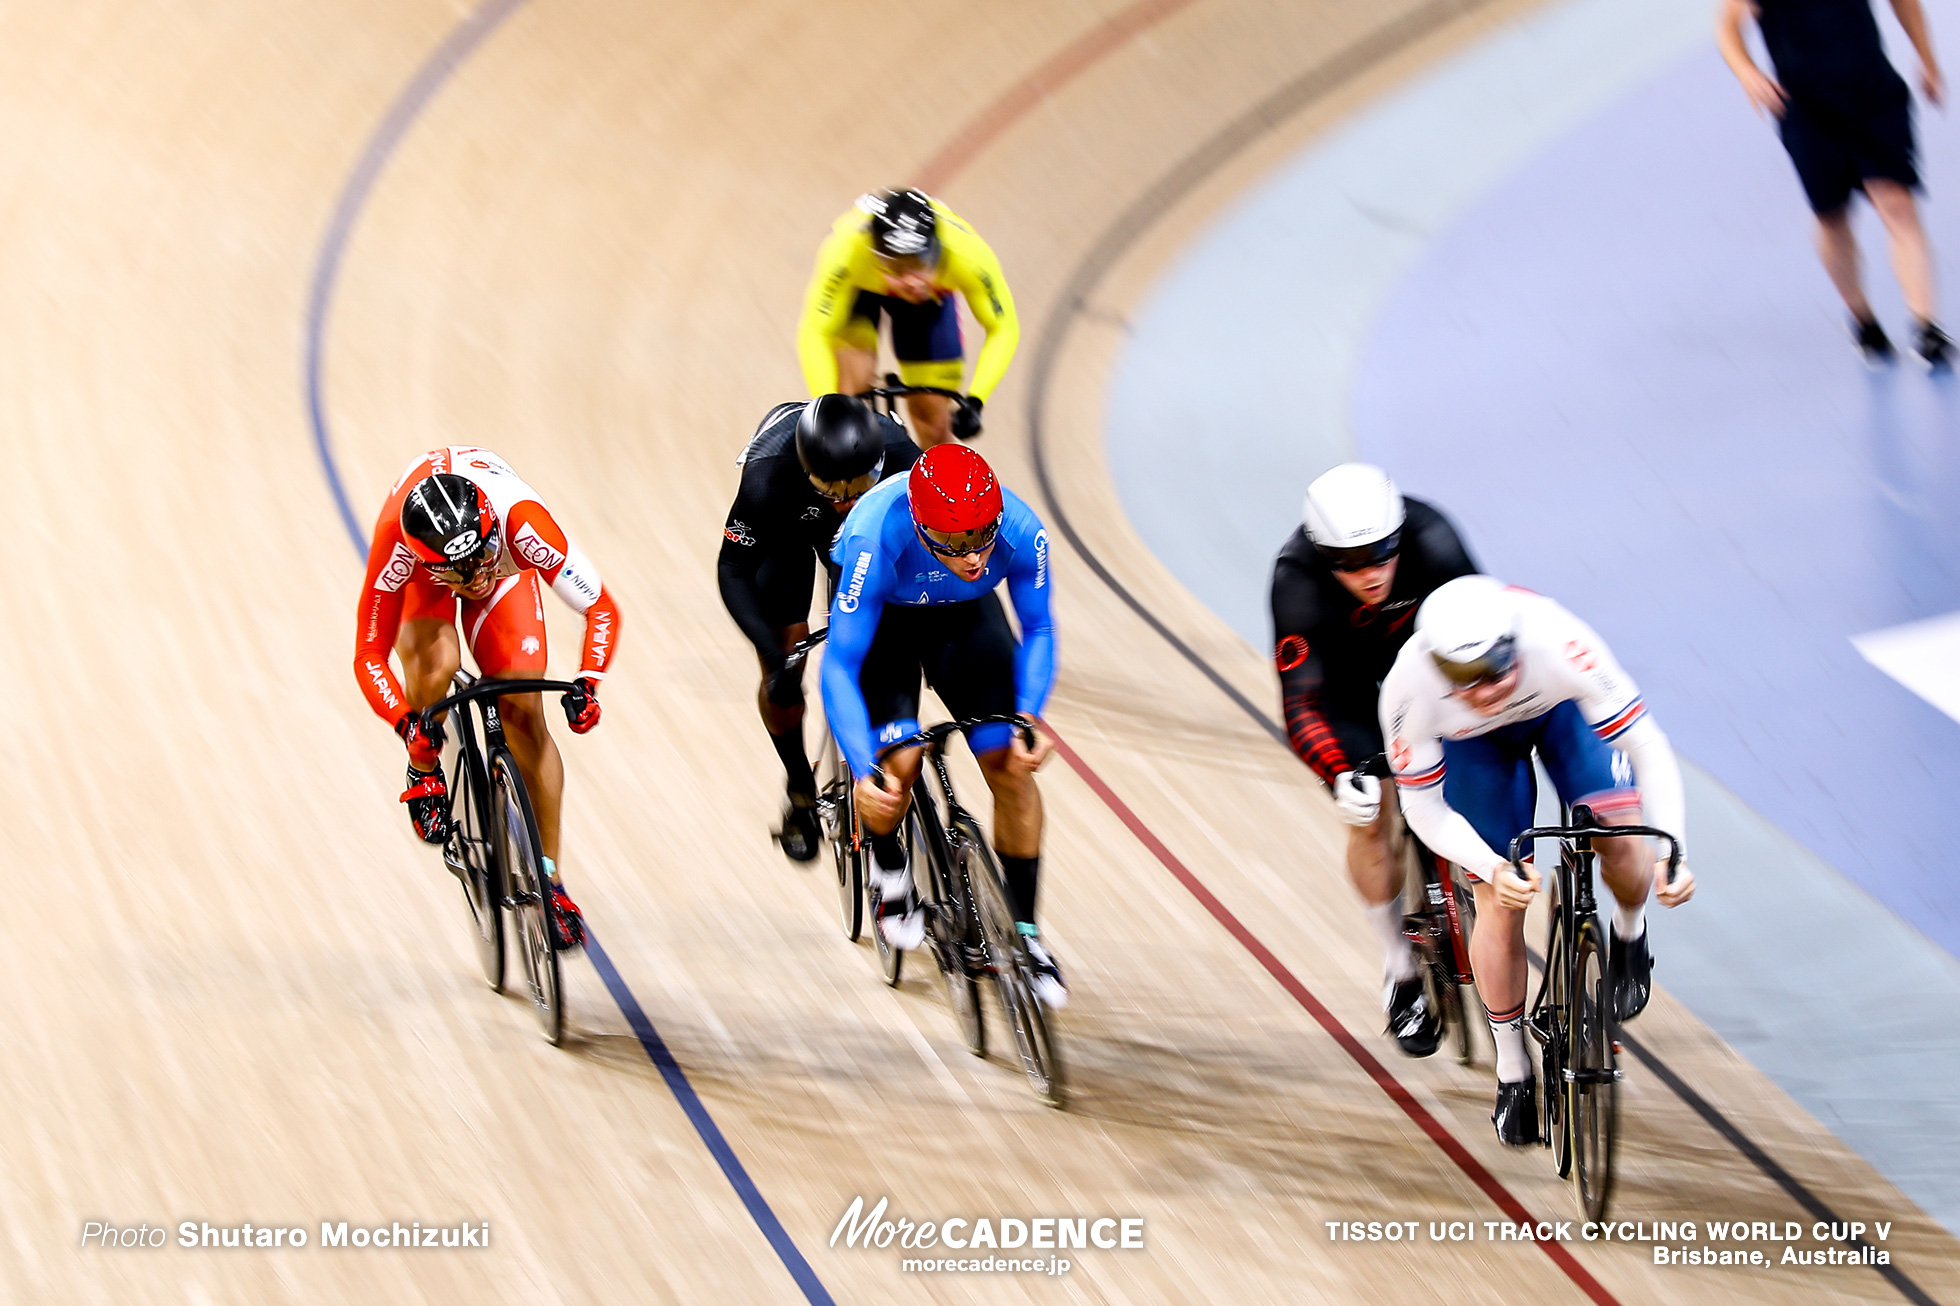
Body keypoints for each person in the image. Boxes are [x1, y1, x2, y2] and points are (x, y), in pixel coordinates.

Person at [1379, 577, 1695, 1145]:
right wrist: (1490, 865)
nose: (1484, 689)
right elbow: (1422, 809)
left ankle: (1628, 932)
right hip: (1475, 750)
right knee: (1498, 901)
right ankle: (1513, 1070)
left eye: (1497, 667)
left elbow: (1646, 747)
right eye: (1463, 677)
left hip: (1559, 714)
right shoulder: (1408, 691)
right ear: (1437, 665)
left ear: (1515, 645)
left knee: (1622, 839)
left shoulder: (1559, 640)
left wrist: (1674, 848)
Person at [818, 443, 1064, 1004]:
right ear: (923, 526)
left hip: (964, 620)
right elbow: (840, 665)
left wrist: (1028, 713)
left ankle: (1027, 936)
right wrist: (862, 771)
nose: (975, 556)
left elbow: (1039, 629)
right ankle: (887, 867)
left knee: (1012, 767)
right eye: (955, 544)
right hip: (887, 623)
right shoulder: (873, 540)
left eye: (983, 536)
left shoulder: (1024, 533)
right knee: (897, 766)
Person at [354, 448, 619, 950]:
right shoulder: (399, 545)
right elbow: (369, 655)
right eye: (461, 570)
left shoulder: (520, 522)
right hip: (425, 583)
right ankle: (425, 766)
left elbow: (600, 608)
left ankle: (551, 883)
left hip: (508, 566)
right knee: (437, 663)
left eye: (479, 558)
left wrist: (588, 681)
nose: (475, 573)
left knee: (524, 713)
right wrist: (408, 725)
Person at [1270, 464, 1479, 1057]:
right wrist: (1339, 773)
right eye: (1350, 563)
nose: (1370, 574)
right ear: (1322, 555)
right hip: (1348, 690)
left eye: (1382, 556)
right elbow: (1301, 701)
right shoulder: (1297, 579)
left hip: (1436, 673)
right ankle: (1399, 967)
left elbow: (1487, 630)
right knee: (1368, 817)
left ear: (1400, 536)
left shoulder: (1433, 539)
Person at [717, 394, 921, 859]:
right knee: (782, 678)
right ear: (810, 472)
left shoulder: (903, 457)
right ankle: (800, 788)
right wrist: (775, 660)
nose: (846, 502)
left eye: (858, 487)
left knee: (875, 633)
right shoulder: (768, 478)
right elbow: (733, 570)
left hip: (861, 538)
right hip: (788, 527)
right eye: (834, 490)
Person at [1717, 0, 1951, 367]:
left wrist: (1928, 58)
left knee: (1898, 204)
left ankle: (1926, 327)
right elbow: (1728, 25)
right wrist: (1747, 72)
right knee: (1832, 217)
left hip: (1874, 94)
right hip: (1807, 111)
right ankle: (1863, 320)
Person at [796, 188, 1019, 447]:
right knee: (848, 402)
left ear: (936, 248)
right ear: (875, 253)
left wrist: (976, 399)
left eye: (919, 262)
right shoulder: (845, 251)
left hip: (928, 303)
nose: (910, 281)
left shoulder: (967, 254)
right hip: (861, 292)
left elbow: (1003, 327)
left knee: (934, 426)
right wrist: (829, 408)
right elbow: (814, 332)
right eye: (897, 267)